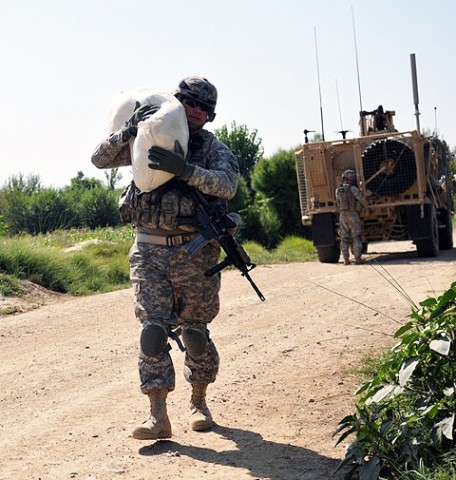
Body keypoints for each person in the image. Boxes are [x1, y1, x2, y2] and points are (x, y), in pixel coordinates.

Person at [91, 76, 240, 440]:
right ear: (177, 102)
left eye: (204, 108)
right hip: (149, 249)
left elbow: (228, 185)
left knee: (195, 335)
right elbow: (98, 160)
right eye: (189, 102)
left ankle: (199, 402)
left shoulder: (211, 148)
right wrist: (128, 131)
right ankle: (157, 416)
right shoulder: (148, 136)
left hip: (195, 253)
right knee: (152, 333)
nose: (195, 111)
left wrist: (185, 169)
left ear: (210, 116)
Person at [335, 169, 367, 265]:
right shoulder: (353, 189)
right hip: (353, 214)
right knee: (356, 236)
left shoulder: (338, 189)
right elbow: (361, 200)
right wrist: (366, 204)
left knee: (344, 238)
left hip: (343, 215)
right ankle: (357, 259)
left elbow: (337, 202)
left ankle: (346, 260)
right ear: (351, 179)